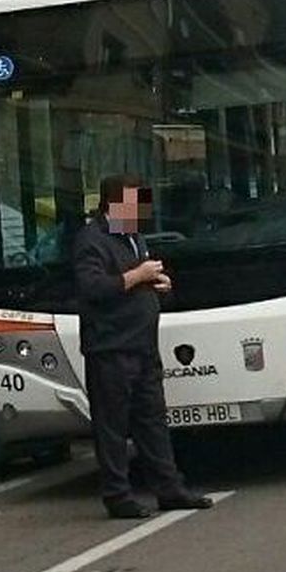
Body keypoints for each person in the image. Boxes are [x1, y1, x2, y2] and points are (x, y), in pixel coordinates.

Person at [75, 175, 212, 520]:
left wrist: (157, 284)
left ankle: (170, 488)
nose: (141, 212)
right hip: (110, 346)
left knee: (152, 420)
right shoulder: (92, 240)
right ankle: (117, 495)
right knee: (113, 426)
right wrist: (137, 276)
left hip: (142, 343)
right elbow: (92, 288)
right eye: (136, 204)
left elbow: (136, 281)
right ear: (114, 204)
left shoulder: (133, 237)